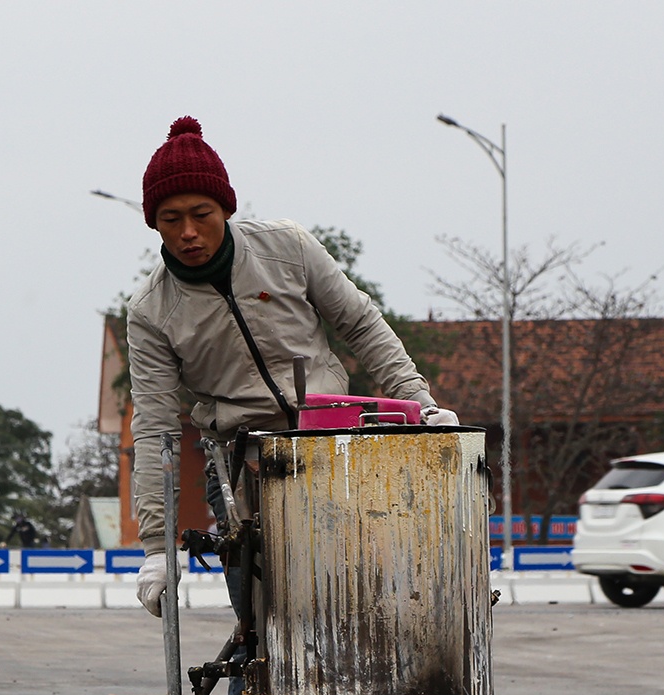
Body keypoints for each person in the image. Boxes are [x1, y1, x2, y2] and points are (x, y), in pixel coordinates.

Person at [126, 116, 458, 616]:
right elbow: (154, 429)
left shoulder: (289, 248)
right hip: (240, 460)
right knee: (264, 621)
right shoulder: (151, 312)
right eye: (172, 219)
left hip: (332, 444)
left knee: (361, 600)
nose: (189, 232)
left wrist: (420, 404)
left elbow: (362, 324)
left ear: (226, 208)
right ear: (154, 222)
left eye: (202, 214)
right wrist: (156, 546)